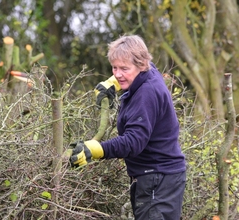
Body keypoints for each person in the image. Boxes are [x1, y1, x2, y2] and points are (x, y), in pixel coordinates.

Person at [70, 35, 186, 220]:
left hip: (158, 179)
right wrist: (113, 83)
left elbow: (134, 141)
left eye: (124, 68)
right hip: (158, 176)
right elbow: (145, 68)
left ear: (141, 65)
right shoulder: (148, 73)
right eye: (114, 67)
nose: (117, 73)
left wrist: (97, 149)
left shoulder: (146, 94)